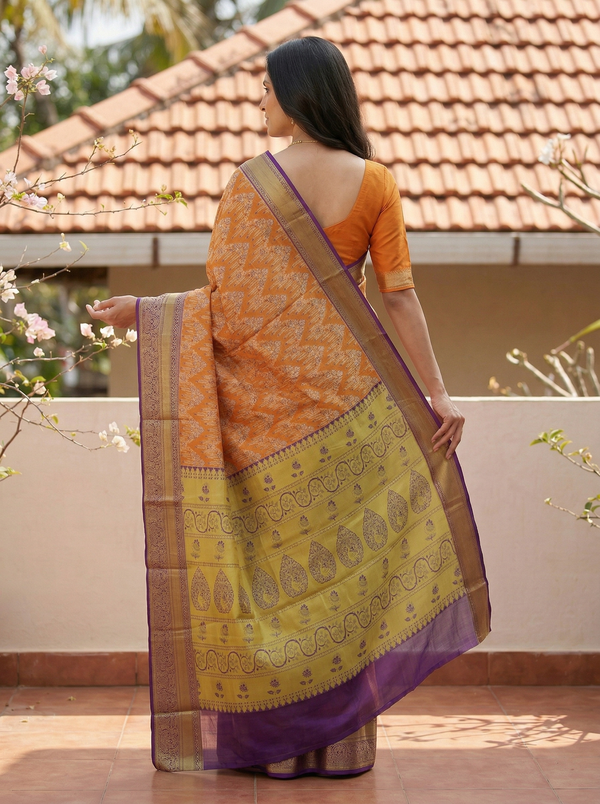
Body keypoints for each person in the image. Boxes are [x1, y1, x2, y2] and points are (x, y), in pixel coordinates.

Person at [87, 36, 489, 778]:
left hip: (270, 428)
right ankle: (339, 747)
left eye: (268, 90)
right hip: (358, 415)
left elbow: (227, 312)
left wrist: (146, 312)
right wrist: (436, 394)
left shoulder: (251, 185)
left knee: (278, 588)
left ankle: (272, 754)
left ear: (300, 95)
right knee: (345, 586)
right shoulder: (376, 182)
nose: (260, 101)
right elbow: (400, 297)